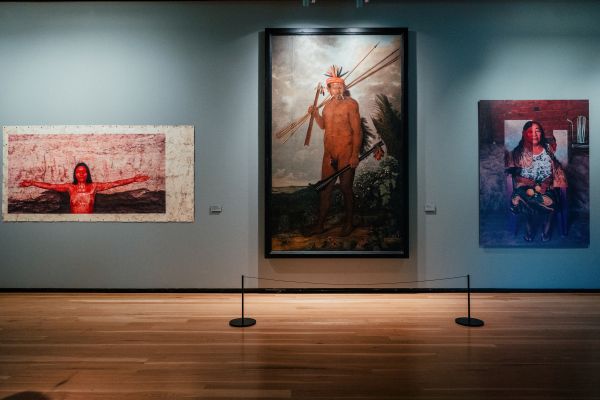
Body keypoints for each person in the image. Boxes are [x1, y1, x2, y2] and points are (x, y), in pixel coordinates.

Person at [308, 65, 362, 236]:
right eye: (334, 87)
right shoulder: (326, 106)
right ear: (329, 89)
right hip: (329, 155)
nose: (338, 89)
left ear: (344, 88)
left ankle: (349, 223)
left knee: (346, 188)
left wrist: (355, 154)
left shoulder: (351, 104)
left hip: (346, 152)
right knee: (325, 190)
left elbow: (357, 131)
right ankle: (320, 225)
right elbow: (323, 126)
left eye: (340, 86)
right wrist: (315, 114)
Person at [505, 121, 567, 242]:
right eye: (530, 132)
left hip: (545, 187)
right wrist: (529, 183)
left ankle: (547, 226)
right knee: (525, 197)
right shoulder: (518, 152)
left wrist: (547, 182)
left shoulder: (548, 148)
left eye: (537, 131)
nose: (534, 134)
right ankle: (529, 225)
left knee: (549, 201)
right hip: (525, 185)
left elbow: (557, 168)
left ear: (541, 133)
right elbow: (512, 173)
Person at [20, 162, 149, 214]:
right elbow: (51, 186)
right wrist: (32, 182)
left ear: (87, 174)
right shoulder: (70, 187)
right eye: (78, 172)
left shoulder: (94, 187)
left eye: (83, 172)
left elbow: (115, 183)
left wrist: (133, 179)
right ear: (75, 174)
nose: (81, 174)